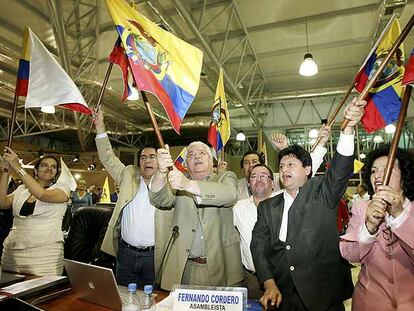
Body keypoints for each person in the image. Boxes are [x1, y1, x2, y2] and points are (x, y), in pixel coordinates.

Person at [251, 98, 366, 310]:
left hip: (323, 297)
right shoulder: (267, 207)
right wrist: (268, 282)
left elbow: (340, 169)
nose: (285, 169)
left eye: (291, 164)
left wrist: (348, 128)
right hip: (282, 296)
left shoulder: (322, 192)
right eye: (282, 165)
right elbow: (258, 246)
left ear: (307, 170)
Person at [234, 126, 331, 299]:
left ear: (274, 182)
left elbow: (305, 170)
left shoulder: (285, 198)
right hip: (251, 280)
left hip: (282, 277)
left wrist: (321, 142)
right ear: (248, 183)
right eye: (254, 176)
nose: (259, 179)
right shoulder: (238, 207)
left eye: (264, 175)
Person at [94, 107, 172, 288]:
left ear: (160, 161)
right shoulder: (129, 174)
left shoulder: (170, 183)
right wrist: (100, 126)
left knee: (152, 302)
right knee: (124, 299)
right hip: (125, 254)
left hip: (154, 257)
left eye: (153, 156)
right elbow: (107, 157)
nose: (147, 160)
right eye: (143, 157)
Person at [150, 141, 243, 290]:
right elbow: (158, 199)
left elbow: (229, 194)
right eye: (191, 155)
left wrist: (187, 184)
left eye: (202, 153)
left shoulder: (225, 177)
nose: (196, 157)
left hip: (221, 266)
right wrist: (161, 172)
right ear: (186, 163)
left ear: (211, 159)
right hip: (185, 267)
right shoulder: (177, 183)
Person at [340, 144, 414, 310]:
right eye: (373, 171)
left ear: (404, 176)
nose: (378, 175)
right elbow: (349, 254)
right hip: (369, 303)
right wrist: (369, 226)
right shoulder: (360, 207)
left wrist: (399, 215)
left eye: (387, 168)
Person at [0, 149, 74, 275]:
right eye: (44, 165)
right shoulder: (22, 189)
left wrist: (17, 166)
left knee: (40, 290)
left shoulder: (62, 189)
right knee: (9, 289)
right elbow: (2, 203)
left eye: (54, 167)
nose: (49, 168)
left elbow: (41, 194)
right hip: (13, 249)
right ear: (35, 170)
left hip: (44, 252)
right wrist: (5, 172)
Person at [237, 132, 327, 200]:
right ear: (241, 169)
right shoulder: (239, 198)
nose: (251, 165)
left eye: (254, 161)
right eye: (246, 163)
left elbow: (302, 171)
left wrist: (284, 149)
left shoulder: (278, 180)